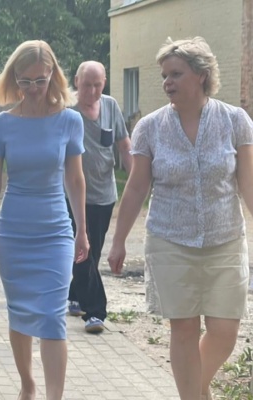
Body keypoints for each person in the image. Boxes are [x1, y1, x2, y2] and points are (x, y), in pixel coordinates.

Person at [107, 37, 253, 400]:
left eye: (175, 74)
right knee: (184, 329)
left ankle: (196, 388)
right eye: (164, 76)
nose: (167, 82)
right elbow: (136, 188)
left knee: (225, 330)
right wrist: (119, 240)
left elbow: (249, 185)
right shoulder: (150, 127)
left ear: (201, 75)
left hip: (225, 240)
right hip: (170, 241)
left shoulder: (235, 121)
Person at [0, 40, 89, 400]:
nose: (33, 88)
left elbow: (75, 179)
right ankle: (27, 384)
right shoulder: (2, 124)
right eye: (25, 80)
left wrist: (82, 230)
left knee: (52, 317)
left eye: (40, 79)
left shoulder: (70, 120)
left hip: (55, 233)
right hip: (12, 234)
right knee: (20, 313)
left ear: (53, 75)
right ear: (14, 78)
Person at [66, 61, 133, 333]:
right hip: (73, 195)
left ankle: (75, 294)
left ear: (104, 83)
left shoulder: (110, 106)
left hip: (104, 195)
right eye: (86, 85)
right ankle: (95, 312)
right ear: (76, 82)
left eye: (97, 85)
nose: (92, 91)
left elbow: (124, 145)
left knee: (91, 252)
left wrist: (136, 178)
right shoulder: (67, 109)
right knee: (82, 250)